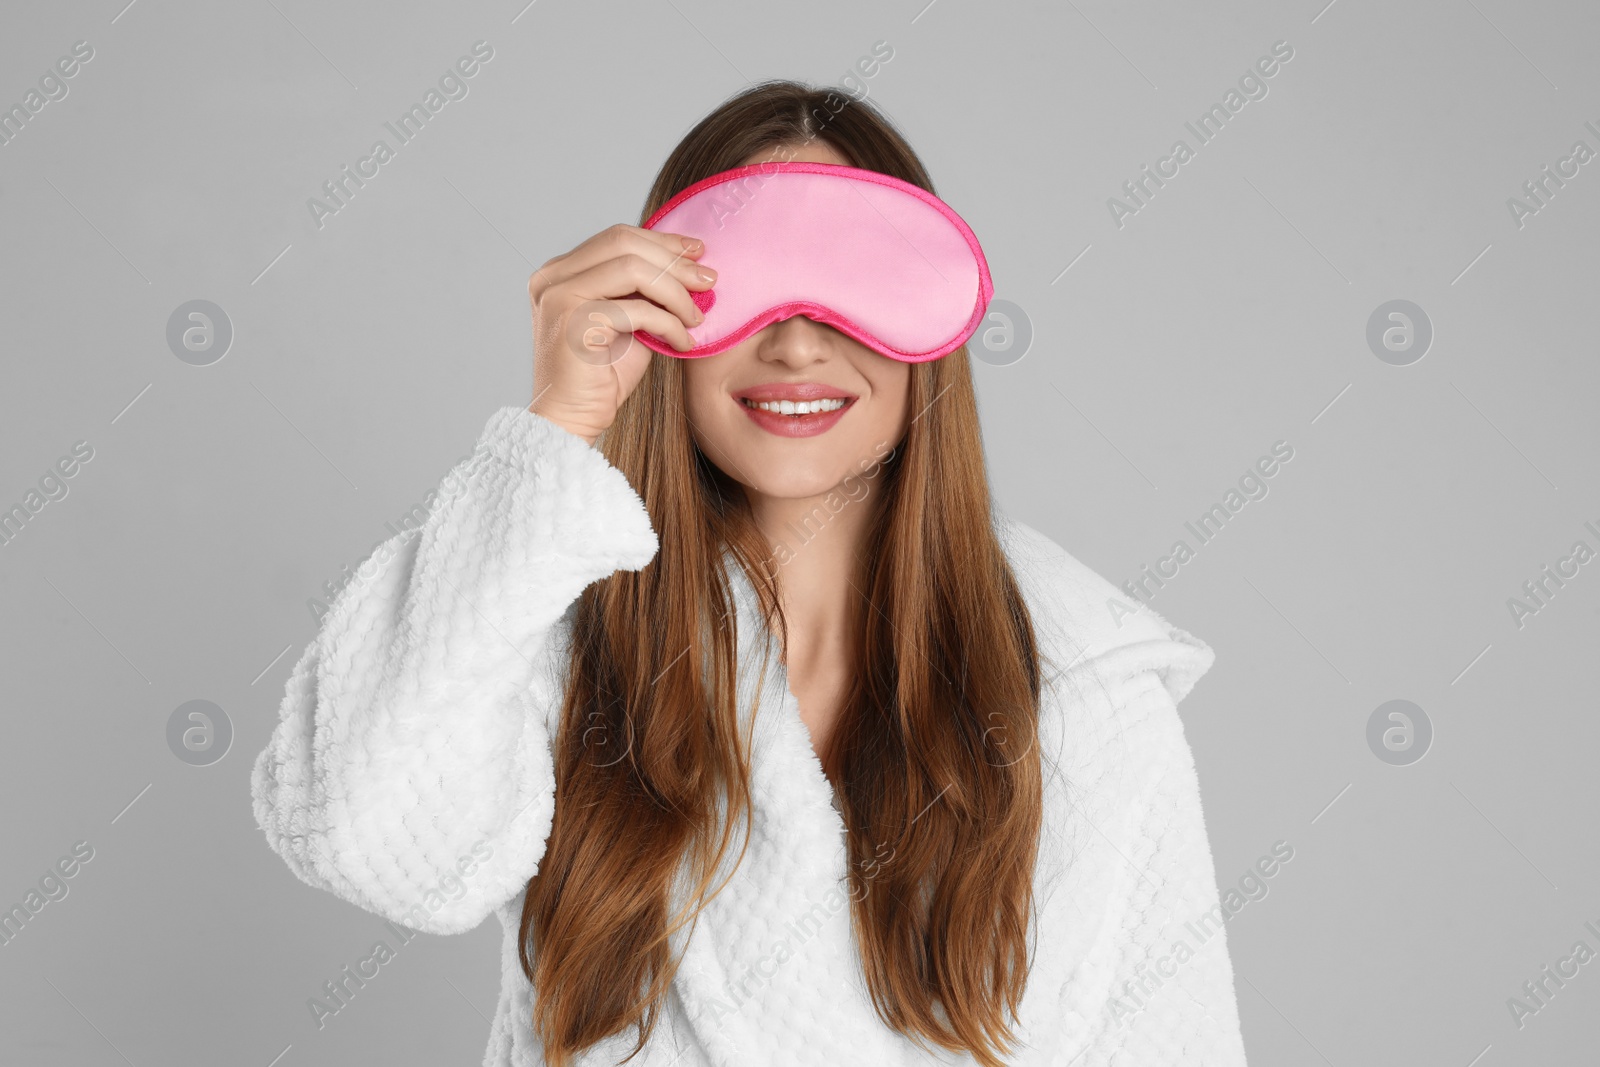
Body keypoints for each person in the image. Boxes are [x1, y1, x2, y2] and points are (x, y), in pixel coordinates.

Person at [251, 79, 1248, 1067]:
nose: (797, 340)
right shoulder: (548, 630)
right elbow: (361, 835)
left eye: (853, 283)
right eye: (740, 284)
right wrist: (553, 429)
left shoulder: (1085, 688)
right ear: (657, 314)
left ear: (930, 334)